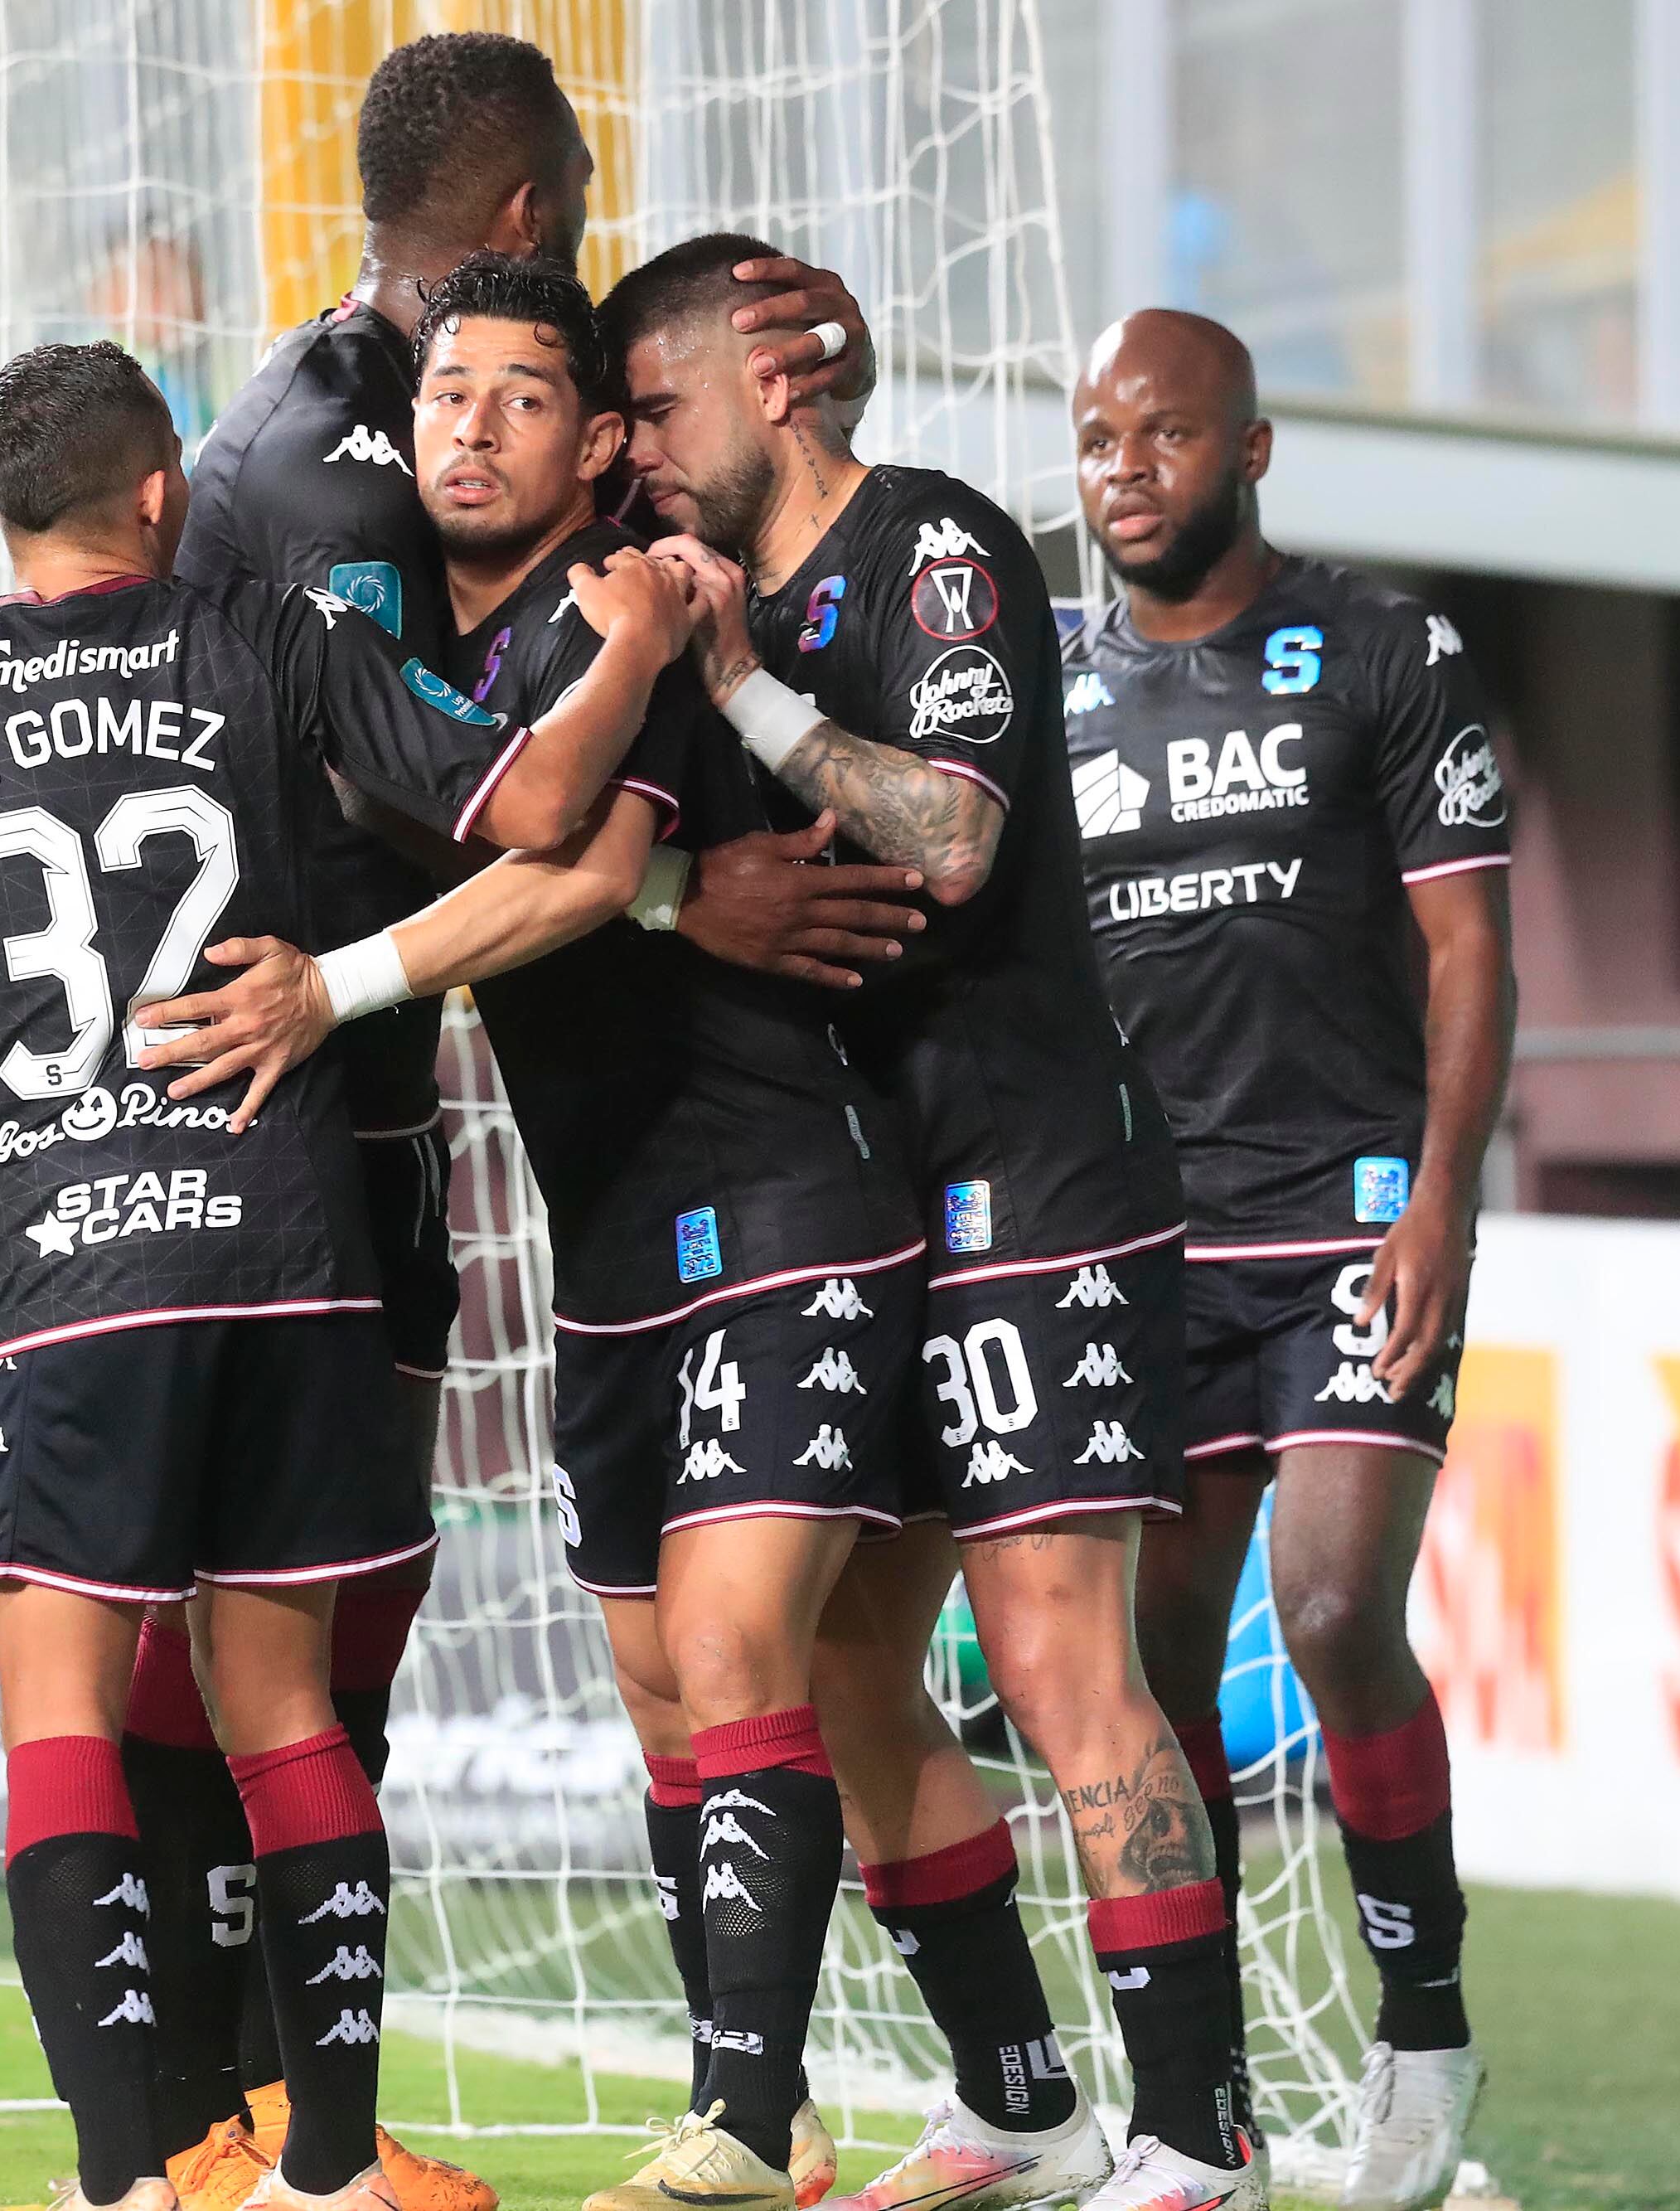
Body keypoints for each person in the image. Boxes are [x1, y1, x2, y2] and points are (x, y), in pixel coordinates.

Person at [137, 253, 1030, 2211]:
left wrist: (335, 986)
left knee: (735, 1652)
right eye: (446, 392)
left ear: (599, 439)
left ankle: (737, 2110)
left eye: (523, 398)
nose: (468, 425)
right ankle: (989, 2091)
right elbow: (560, 860)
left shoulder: (617, 601)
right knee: (682, 1690)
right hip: (611, 1228)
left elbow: (574, 858)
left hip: (788, 1192)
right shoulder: (405, 651)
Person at [0, 337, 687, 2211]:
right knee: (286, 1714)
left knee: (63, 1718)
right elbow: (527, 812)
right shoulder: (269, 638)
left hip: (72, 1272)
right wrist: (631, 651)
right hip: (287, 1252)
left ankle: (125, 2178)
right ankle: (332, 2169)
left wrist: (19, 1108)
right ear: (158, 496)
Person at [610, 235, 1266, 2211]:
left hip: (1033, 1177)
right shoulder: (701, 590)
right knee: (842, 1668)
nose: (639, 451)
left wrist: (735, 687)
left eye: (658, 406)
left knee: (1058, 1656)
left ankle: (1197, 2131)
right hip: (867, 1200)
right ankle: (1019, 2097)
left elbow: (961, 835)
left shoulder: (936, 546)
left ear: (776, 385)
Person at [1064, 309, 1513, 2211]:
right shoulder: (1043, 688)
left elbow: (1469, 952)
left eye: (1161, 435)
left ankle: (1423, 2027)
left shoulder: (1385, 653)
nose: (1122, 470)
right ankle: (1210, 2114)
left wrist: (1436, 1198)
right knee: (1158, 1675)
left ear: (1248, 451)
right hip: (1147, 1245)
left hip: (1349, 1214)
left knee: (1327, 1610)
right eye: (1095, 439)